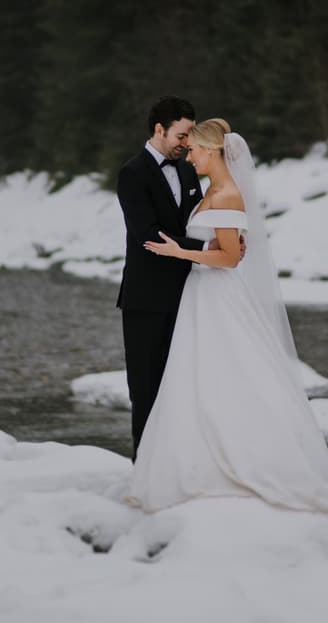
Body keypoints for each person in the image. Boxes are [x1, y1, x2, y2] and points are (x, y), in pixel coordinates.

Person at [126, 118, 328, 513]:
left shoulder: (228, 195)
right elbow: (221, 244)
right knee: (198, 377)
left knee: (228, 372)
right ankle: (196, 461)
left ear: (212, 151)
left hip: (218, 294)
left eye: (195, 151)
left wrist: (181, 252)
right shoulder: (211, 191)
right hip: (200, 294)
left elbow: (230, 258)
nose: (190, 157)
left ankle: (242, 459)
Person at [116, 97, 205, 460]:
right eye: (182, 135)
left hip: (190, 295)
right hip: (146, 300)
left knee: (184, 385)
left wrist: (225, 240)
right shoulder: (132, 173)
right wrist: (208, 246)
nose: (187, 142)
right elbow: (148, 236)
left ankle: (180, 464)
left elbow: (199, 219)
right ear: (159, 129)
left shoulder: (187, 172)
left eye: (190, 135)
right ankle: (145, 468)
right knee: (146, 388)